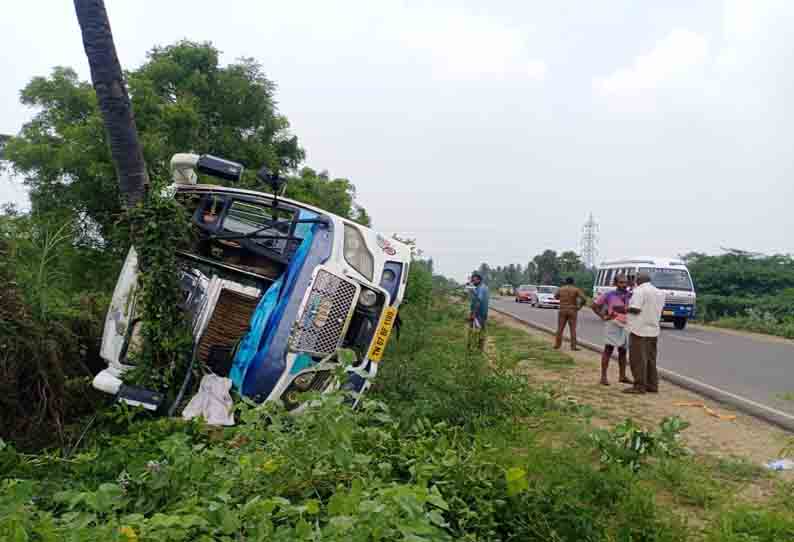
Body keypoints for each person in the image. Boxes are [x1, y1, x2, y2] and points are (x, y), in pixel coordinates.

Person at [624, 272, 666, 394]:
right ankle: (652, 385)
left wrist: (624, 308)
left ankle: (639, 386)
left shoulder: (639, 291)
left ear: (638, 280)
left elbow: (636, 309)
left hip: (638, 329)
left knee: (637, 359)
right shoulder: (659, 292)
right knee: (650, 359)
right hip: (653, 329)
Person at [591, 274, 632, 386]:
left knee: (623, 351)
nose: (624, 285)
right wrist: (603, 316)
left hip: (626, 325)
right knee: (608, 349)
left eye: (625, 282)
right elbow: (594, 305)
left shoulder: (630, 295)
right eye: (621, 282)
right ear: (615, 283)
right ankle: (603, 377)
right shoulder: (609, 295)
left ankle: (622, 376)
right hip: (612, 324)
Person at [554, 277, 587, 350]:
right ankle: (573, 346)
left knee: (560, 328)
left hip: (562, 309)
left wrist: (562, 299)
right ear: (573, 282)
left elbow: (556, 297)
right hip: (572, 310)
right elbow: (584, 299)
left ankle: (557, 345)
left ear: (565, 282)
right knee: (572, 329)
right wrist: (579, 306)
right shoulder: (576, 289)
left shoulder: (561, 289)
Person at [469, 272, 490, 351]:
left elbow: (478, 301)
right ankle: (479, 348)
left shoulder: (481, 288)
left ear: (479, 280)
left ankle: (474, 347)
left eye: (474, 280)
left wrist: (473, 314)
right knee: (481, 330)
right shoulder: (483, 287)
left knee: (475, 331)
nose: (472, 282)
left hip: (478, 314)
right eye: (472, 280)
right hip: (483, 314)